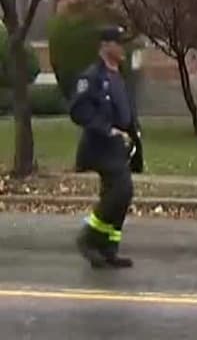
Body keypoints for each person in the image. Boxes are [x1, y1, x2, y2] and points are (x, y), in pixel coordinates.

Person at [69, 26, 140, 269]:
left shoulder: (119, 75)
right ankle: (88, 238)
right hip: (100, 146)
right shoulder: (92, 77)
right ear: (105, 46)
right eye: (118, 43)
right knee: (121, 190)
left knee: (121, 195)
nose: (122, 48)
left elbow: (126, 109)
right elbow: (78, 110)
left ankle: (108, 248)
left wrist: (134, 133)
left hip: (120, 147)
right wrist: (107, 129)